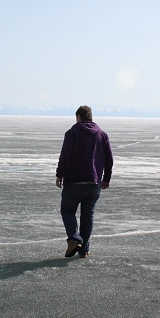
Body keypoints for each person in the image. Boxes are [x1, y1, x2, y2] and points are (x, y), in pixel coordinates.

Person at [56, 105, 113, 258]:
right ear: (91, 117)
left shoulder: (72, 132)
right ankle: (84, 250)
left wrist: (59, 175)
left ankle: (74, 239)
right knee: (88, 216)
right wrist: (106, 179)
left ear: (79, 117)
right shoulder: (102, 134)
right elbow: (109, 159)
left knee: (67, 210)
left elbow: (65, 156)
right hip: (94, 183)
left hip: (74, 181)